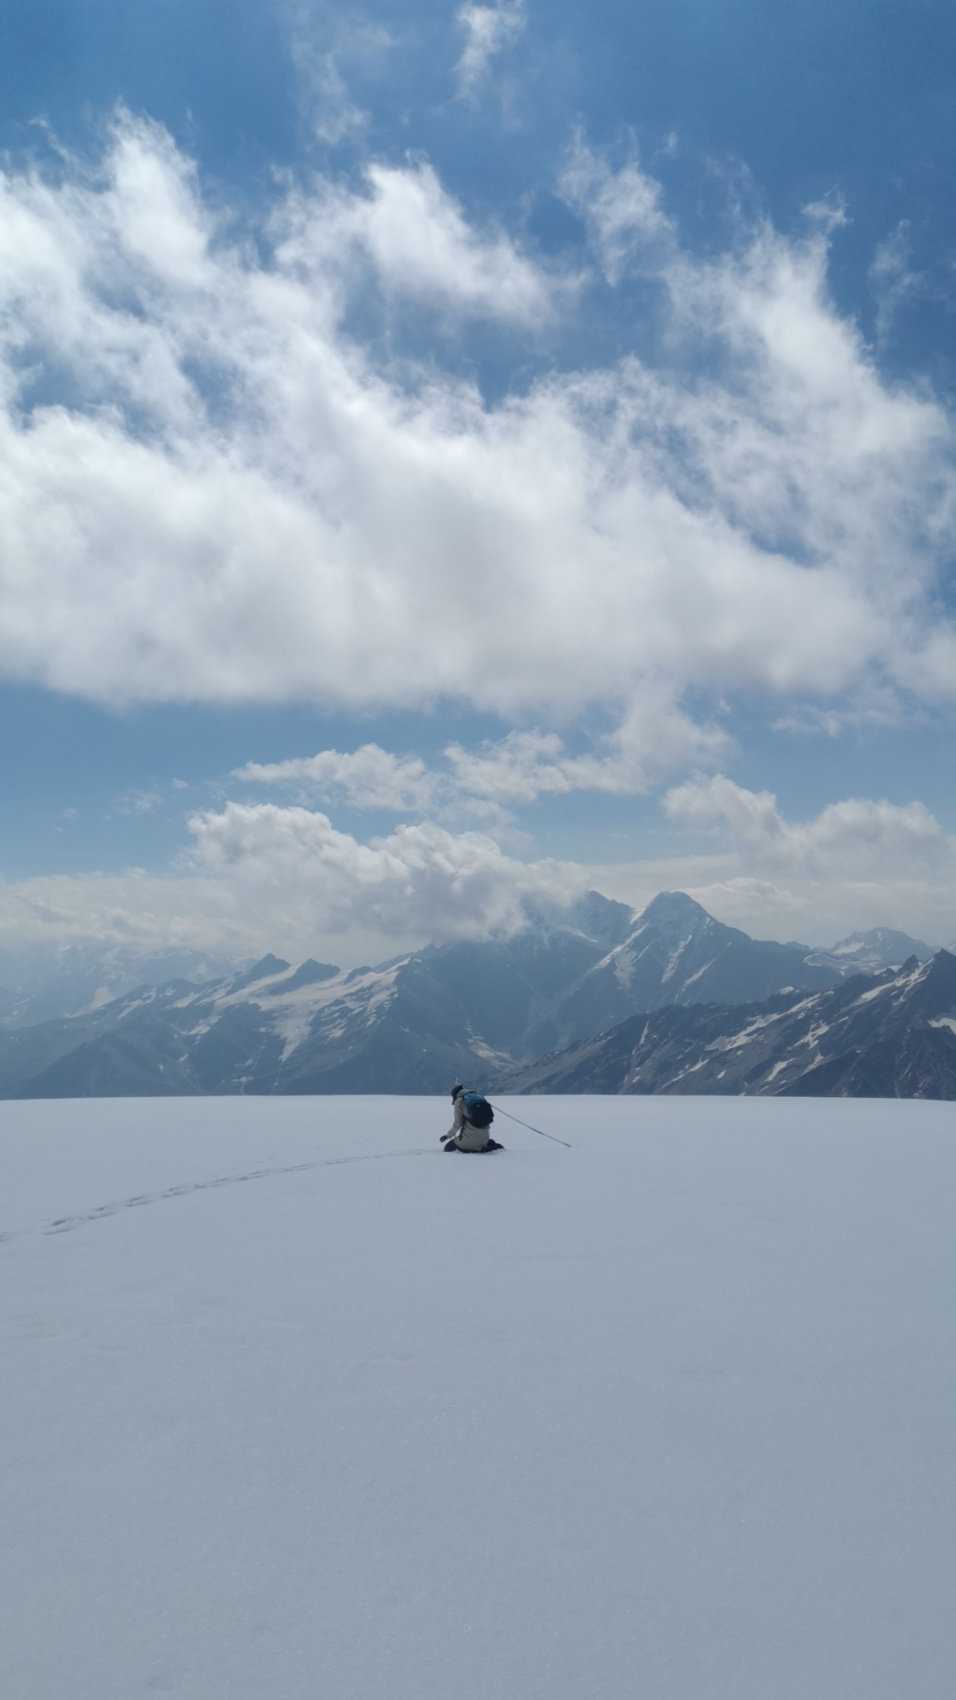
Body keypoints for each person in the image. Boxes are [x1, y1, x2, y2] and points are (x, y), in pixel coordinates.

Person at [442, 1084, 503, 1152]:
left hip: (469, 1139)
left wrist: (447, 1136)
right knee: (480, 1141)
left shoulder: (459, 1101)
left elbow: (457, 1124)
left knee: (448, 1147)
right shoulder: (480, 1098)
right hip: (485, 1137)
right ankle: (483, 1146)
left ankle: (473, 1149)